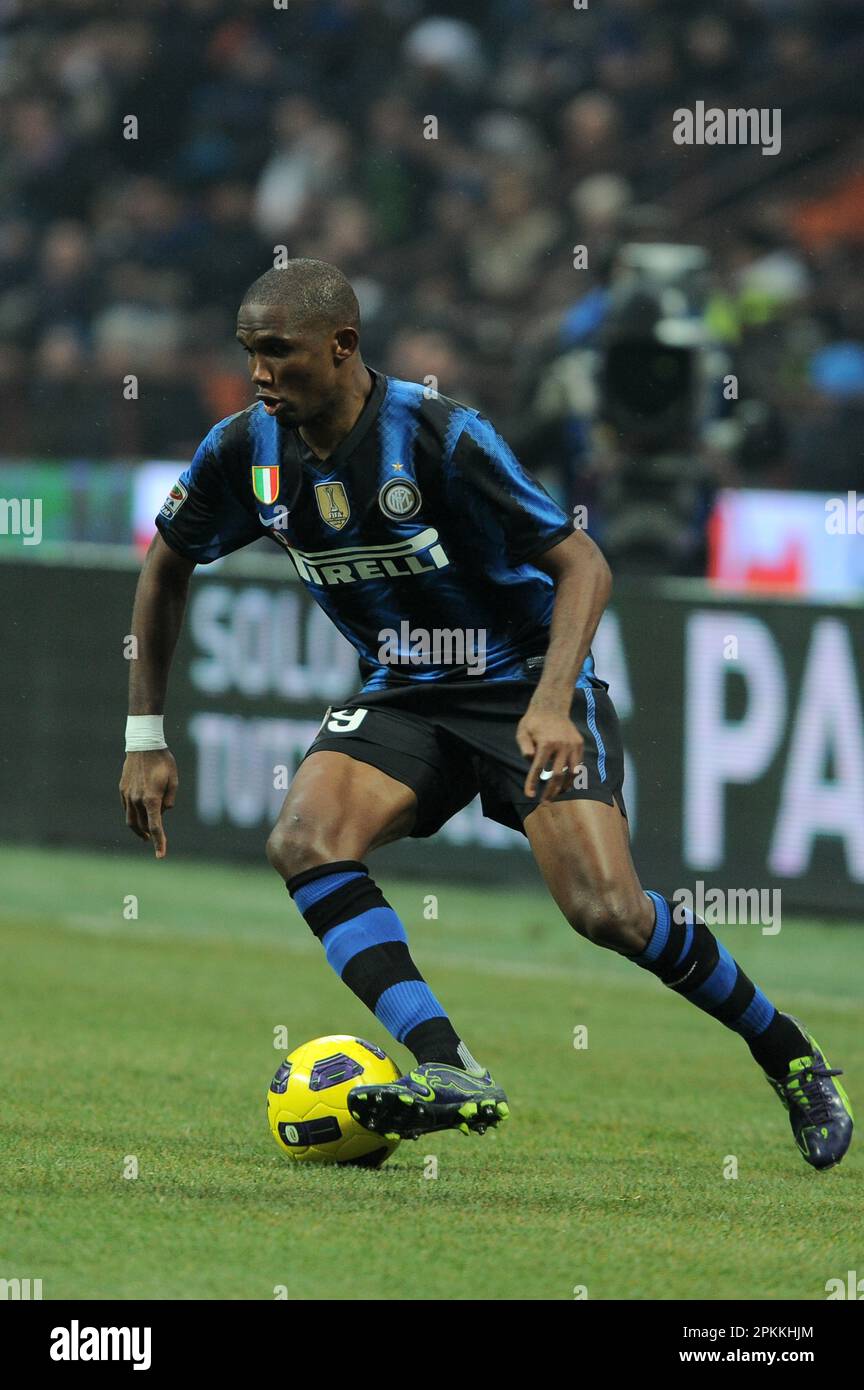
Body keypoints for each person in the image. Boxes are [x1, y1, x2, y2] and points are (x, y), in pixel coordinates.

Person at [119, 259, 852, 1166]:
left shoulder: (441, 438)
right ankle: (448, 1062)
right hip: (403, 693)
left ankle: (789, 1054)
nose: (260, 374)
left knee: (608, 913)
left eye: (278, 353)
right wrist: (144, 734)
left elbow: (583, 562)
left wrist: (552, 707)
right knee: (304, 840)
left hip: (521, 683)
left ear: (342, 346)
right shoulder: (242, 450)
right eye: (250, 354)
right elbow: (167, 563)